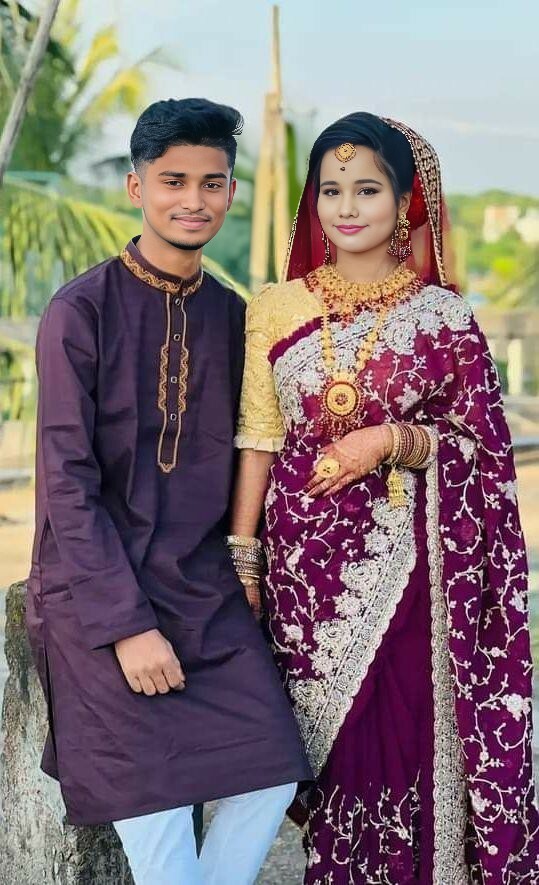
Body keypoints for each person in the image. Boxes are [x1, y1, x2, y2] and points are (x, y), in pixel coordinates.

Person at [230, 112, 539, 882]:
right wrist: (243, 556)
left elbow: (482, 450)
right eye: (330, 188)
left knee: (404, 748)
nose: (346, 206)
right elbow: (257, 438)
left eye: (366, 189)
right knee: (327, 768)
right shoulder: (274, 306)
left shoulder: (443, 318)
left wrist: (391, 440)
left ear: (403, 202)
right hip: (302, 580)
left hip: (411, 575)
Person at [26, 97, 311, 885]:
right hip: (95, 598)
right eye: (173, 181)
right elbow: (66, 481)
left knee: (269, 769)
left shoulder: (234, 318)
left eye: (212, 182)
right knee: (154, 818)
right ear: (136, 187)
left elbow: (263, 448)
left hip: (203, 590)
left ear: (231, 191)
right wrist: (125, 626)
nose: (194, 200)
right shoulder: (79, 311)